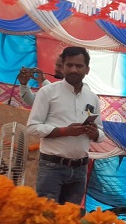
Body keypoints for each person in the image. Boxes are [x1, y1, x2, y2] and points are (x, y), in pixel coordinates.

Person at [26, 47, 103, 205]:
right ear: (62, 67)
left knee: (69, 217)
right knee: (46, 215)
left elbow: (100, 132)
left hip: (80, 169)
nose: (74, 69)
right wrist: (64, 131)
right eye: (69, 65)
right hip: (52, 167)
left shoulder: (92, 97)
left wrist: (94, 133)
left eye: (79, 66)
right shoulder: (47, 92)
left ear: (87, 69)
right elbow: (32, 127)